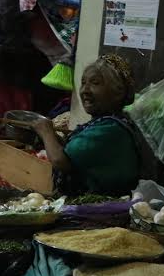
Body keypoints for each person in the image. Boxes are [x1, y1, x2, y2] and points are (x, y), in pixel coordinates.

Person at [33, 54, 141, 195]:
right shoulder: (106, 123)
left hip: (100, 211)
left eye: (95, 83)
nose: (85, 90)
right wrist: (53, 138)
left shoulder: (110, 130)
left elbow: (61, 161)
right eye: (83, 83)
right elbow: (75, 153)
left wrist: (46, 132)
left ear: (118, 92)